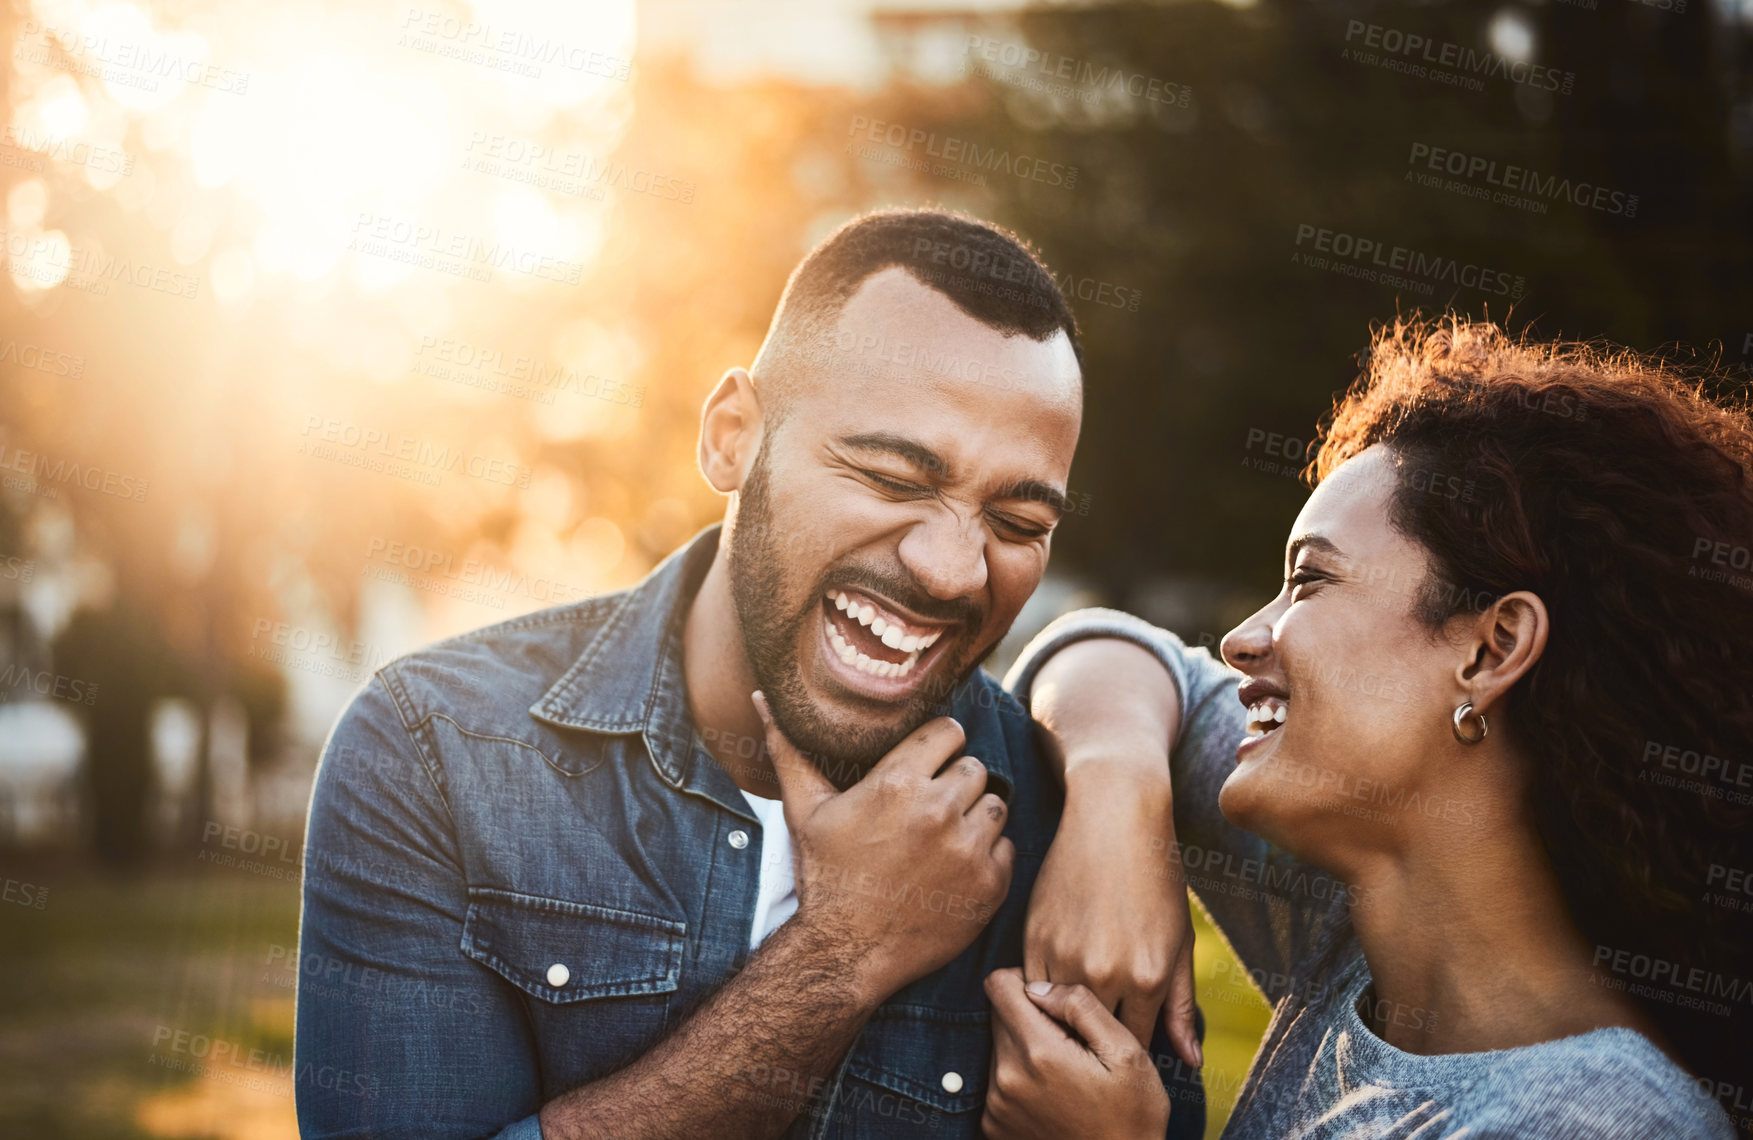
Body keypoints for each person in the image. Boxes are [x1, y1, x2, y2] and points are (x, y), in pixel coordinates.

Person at [293, 208, 1206, 1140]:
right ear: (732, 437)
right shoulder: (436, 748)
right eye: (890, 478)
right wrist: (840, 954)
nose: (949, 568)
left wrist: (1119, 789)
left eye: (1016, 524)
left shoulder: (1083, 850)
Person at [983, 316, 1751, 1138]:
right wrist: (1117, 805)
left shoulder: (1598, 1124)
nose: (1242, 639)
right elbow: (1115, 654)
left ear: (1492, 650)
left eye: (1308, 580)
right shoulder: (1354, 930)